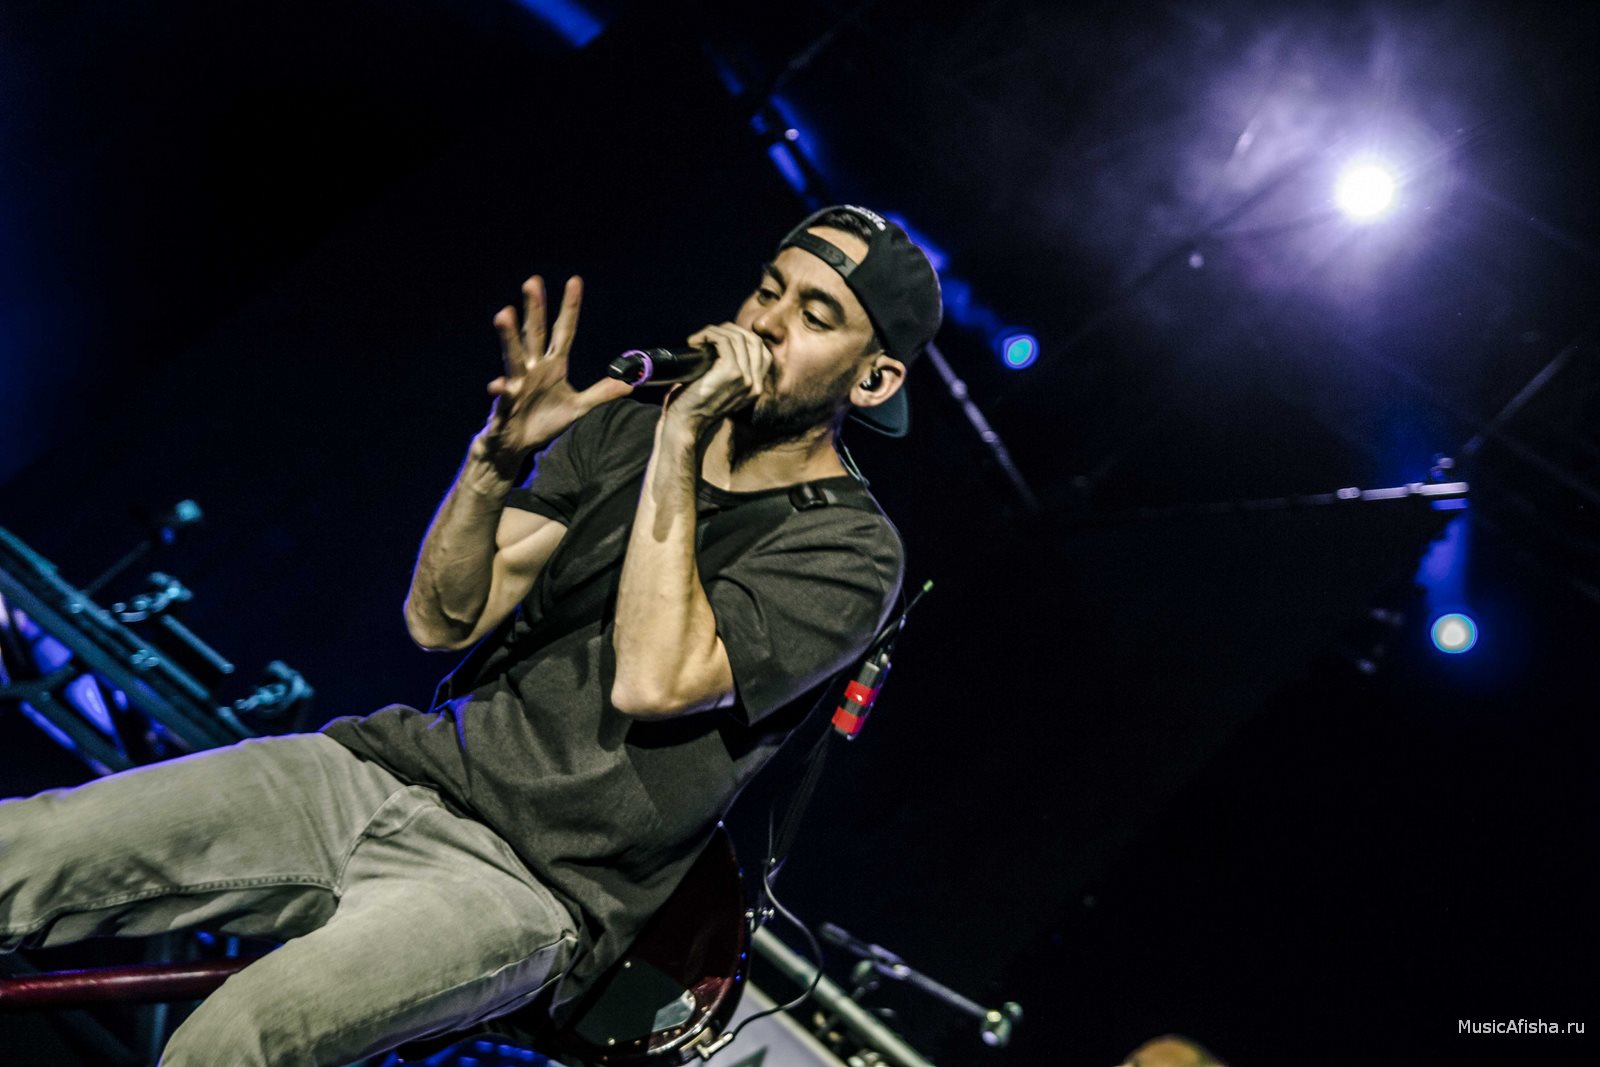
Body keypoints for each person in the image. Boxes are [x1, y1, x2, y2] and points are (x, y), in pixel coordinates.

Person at [0, 204, 942, 1065]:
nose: (768, 323)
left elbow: (655, 680)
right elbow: (442, 617)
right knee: (25, 848)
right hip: (383, 772)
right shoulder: (626, 434)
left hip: (524, 884)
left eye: (816, 315)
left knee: (233, 1039)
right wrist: (494, 462)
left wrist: (681, 438)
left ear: (874, 378)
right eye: (769, 290)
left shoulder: (849, 548)